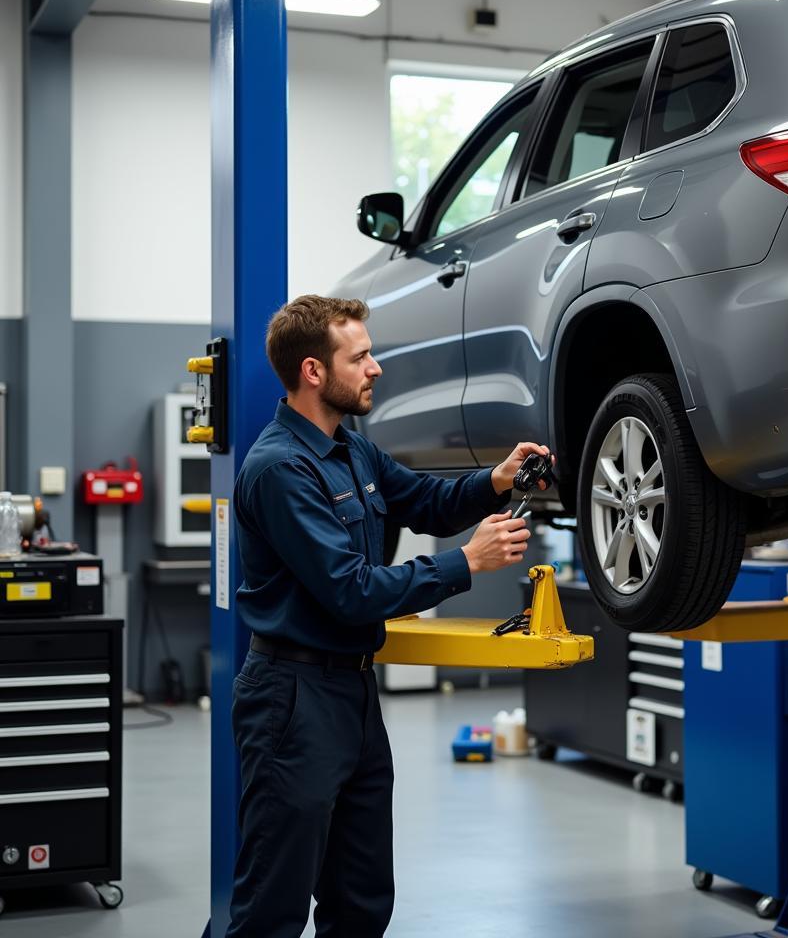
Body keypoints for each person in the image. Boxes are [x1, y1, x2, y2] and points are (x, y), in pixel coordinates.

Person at [225, 294, 550, 938]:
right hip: (292, 701)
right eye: (362, 356)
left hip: (352, 693)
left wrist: (497, 480)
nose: (376, 368)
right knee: (273, 906)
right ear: (314, 372)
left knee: (362, 897)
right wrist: (467, 563)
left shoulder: (351, 449)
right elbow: (352, 591)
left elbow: (423, 500)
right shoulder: (280, 469)